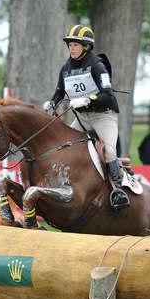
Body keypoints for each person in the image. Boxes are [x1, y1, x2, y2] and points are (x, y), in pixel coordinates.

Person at [43, 24, 130, 211]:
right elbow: (59, 92)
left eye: (76, 45)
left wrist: (86, 100)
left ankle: (118, 190)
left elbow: (108, 94)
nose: (71, 48)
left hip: (103, 116)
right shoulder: (65, 68)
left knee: (109, 151)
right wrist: (52, 104)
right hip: (82, 119)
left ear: (86, 47)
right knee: (62, 146)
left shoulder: (97, 65)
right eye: (70, 45)